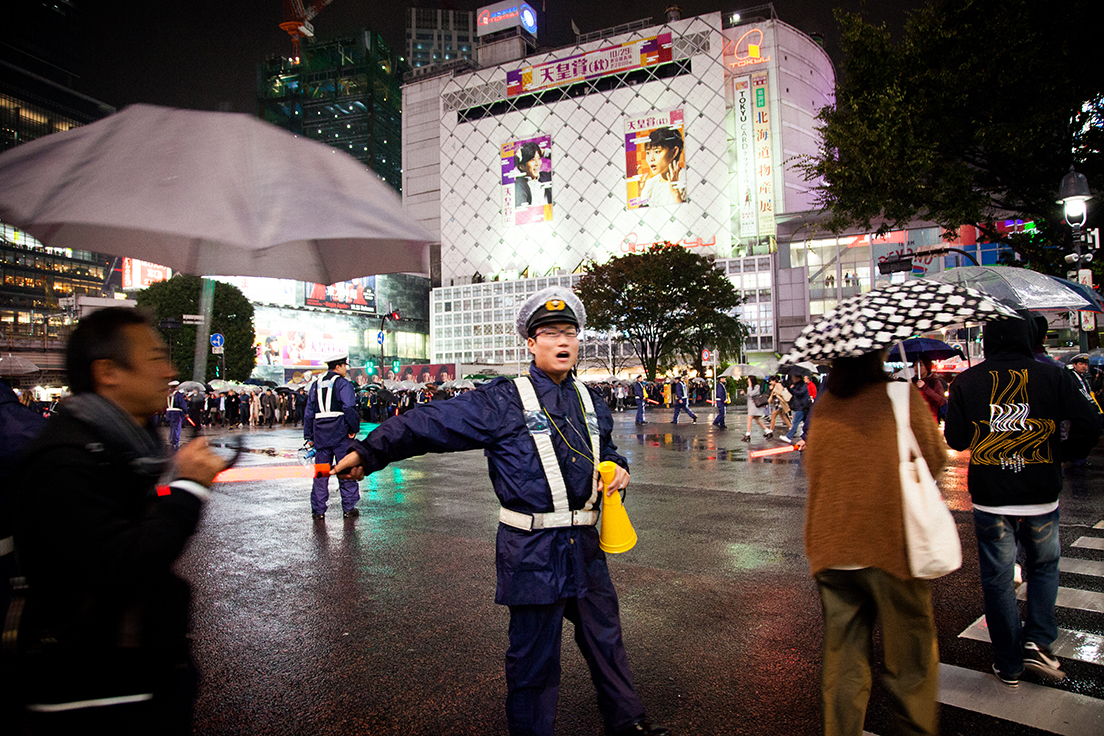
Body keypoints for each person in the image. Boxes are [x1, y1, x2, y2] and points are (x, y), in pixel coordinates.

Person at [331, 287, 668, 736]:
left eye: (569, 332)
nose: (562, 341)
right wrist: (370, 452)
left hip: (585, 546)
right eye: (549, 333)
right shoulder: (501, 400)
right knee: (533, 657)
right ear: (531, 344)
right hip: (531, 548)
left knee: (606, 640)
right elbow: (428, 424)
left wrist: (618, 468)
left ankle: (628, 722)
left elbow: (606, 449)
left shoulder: (591, 400)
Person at [11, 307, 225, 733]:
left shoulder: (120, 445)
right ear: (108, 372)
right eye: (155, 358)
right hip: (93, 695)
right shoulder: (66, 461)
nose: (170, 370)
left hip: (136, 677)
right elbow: (122, 562)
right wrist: (187, 489)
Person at [944, 316, 1101, 688]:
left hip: (991, 499)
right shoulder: (1054, 376)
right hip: (1040, 496)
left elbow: (957, 440)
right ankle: (1038, 640)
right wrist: (1061, 453)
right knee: (1043, 568)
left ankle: (1009, 663)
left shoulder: (968, 380)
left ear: (988, 341)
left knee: (997, 581)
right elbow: (1091, 424)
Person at [804, 349, 947, 736]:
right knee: (911, 661)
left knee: (843, 661)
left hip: (830, 547)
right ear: (877, 355)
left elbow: (813, 465)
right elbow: (933, 458)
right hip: (891, 544)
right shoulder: (899, 396)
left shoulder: (826, 405)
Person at [303, 353, 361, 521]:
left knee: (321, 473)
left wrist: (309, 435)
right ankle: (349, 508)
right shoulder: (344, 384)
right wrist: (353, 428)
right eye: (344, 366)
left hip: (321, 435)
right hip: (340, 433)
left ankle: (318, 511)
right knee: (345, 470)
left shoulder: (315, 385)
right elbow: (349, 407)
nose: (346, 369)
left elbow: (308, 413)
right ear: (338, 367)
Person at [639, 127, 685, 207]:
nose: (651, 159)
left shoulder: (686, 179)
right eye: (648, 153)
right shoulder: (649, 184)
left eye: (657, 151)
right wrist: (640, 194)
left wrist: (675, 194)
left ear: (674, 152)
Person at [514, 141, 552, 207]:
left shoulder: (546, 177)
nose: (537, 163)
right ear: (521, 166)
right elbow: (504, 170)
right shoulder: (518, 185)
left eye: (539, 158)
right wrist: (517, 157)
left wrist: (545, 152)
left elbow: (563, 163)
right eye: (533, 160)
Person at [913, 357, 946, 421]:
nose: (917, 367)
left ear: (927, 366)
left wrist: (924, 387)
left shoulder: (934, 382)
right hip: (915, 419)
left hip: (930, 419)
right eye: (915, 365)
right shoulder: (912, 382)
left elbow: (940, 401)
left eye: (920, 365)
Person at [780, 372, 810, 443]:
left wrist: (793, 388)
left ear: (798, 378)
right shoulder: (798, 384)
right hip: (801, 406)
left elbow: (800, 393)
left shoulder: (802, 385)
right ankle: (812, 434)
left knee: (796, 422)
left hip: (801, 406)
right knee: (807, 423)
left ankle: (789, 436)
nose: (793, 379)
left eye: (794, 377)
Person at [742, 376, 769, 441]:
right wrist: (743, 394)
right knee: (757, 420)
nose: (748, 381)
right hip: (751, 406)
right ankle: (768, 431)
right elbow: (748, 396)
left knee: (749, 418)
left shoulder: (757, 386)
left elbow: (751, 394)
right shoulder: (752, 387)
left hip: (755, 406)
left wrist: (749, 386)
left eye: (749, 379)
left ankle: (748, 434)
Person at [165, 381, 186, 450]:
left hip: (169, 411)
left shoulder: (168, 394)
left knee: (172, 426)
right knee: (176, 427)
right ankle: (175, 441)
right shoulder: (178, 395)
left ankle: (171, 438)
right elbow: (182, 404)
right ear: (176, 387)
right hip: (176, 412)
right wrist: (186, 412)